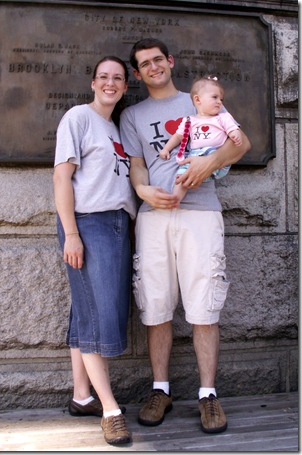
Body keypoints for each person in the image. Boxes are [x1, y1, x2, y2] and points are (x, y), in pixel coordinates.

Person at [120, 38, 251, 434]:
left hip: (201, 212)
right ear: (138, 73)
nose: (153, 67)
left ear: (170, 61)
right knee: (155, 305)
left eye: (158, 59)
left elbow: (240, 143)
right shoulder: (133, 115)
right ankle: (161, 390)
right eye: (144, 64)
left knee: (204, 305)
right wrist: (142, 191)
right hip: (153, 218)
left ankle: (208, 395)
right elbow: (137, 167)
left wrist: (208, 164)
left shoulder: (199, 100)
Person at [53, 55, 137, 445]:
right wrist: (71, 233)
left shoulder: (115, 126)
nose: (110, 83)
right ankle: (110, 409)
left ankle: (81, 395)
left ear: (124, 86)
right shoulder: (78, 118)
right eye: (103, 77)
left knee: (87, 308)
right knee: (98, 316)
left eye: (117, 78)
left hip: (119, 224)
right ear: (93, 82)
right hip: (89, 223)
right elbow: (61, 176)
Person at [159, 75, 242, 202]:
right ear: (198, 100)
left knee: (192, 174)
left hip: (215, 155)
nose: (219, 102)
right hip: (195, 156)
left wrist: (235, 134)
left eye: (221, 99)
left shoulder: (223, 117)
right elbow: (177, 137)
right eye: (215, 97)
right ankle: (175, 199)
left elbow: (232, 128)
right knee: (182, 176)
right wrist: (166, 149)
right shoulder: (189, 121)